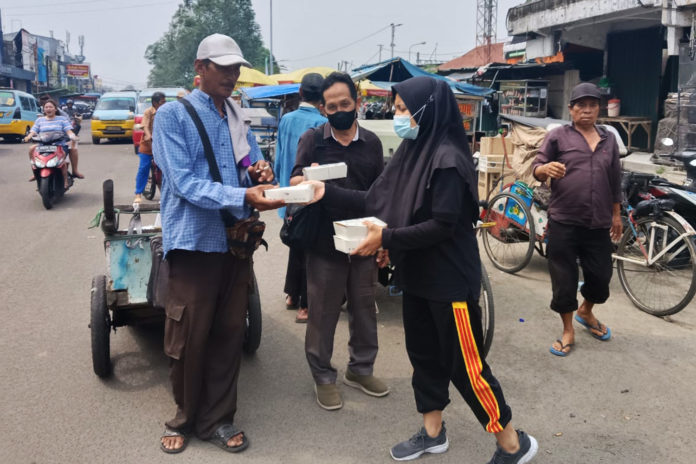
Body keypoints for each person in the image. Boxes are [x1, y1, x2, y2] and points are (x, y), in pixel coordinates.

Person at [305, 76, 538, 463]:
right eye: (396, 109)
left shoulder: (448, 159)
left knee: (467, 368)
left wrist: (386, 238)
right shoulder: (413, 151)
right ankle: (433, 432)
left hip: (449, 284)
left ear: (426, 110)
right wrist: (326, 192)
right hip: (416, 278)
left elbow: (442, 226)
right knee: (424, 358)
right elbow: (377, 198)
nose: (398, 116)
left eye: (402, 109)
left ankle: (512, 443)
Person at [152, 33, 283, 455]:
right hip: (194, 242)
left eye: (235, 68)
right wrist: (243, 193)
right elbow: (183, 183)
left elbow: (249, 164)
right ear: (200, 68)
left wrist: (259, 174)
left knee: (229, 332)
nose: (231, 75)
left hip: (237, 241)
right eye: (223, 67)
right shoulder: (173, 115)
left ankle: (219, 419)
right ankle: (184, 418)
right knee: (189, 336)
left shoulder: (237, 115)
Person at [289, 71, 387, 411]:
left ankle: (360, 369)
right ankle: (323, 376)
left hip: (362, 240)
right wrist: (306, 180)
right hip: (323, 242)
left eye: (345, 104)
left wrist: (384, 240)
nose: (339, 111)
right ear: (323, 109)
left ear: (357, 102)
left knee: (364, 309)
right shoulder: (313, 140)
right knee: (323, 312)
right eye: (332, 107)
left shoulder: (371, 143)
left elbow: (380, 195)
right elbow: (295, 180)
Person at [532, 82, 622, 357]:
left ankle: (586, 310)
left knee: (601, 276)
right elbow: (536, 167)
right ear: (571, 110)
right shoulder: (558, 136)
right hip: (564, 220)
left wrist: (616, 214)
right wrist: (545, 169)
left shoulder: (608, 139)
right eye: (581, 105)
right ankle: (568, 329)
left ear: (599, 109)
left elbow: (615, 179)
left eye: (593, 105)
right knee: (564, 279)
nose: (587, 110)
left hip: (598, 221)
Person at [274, 73, 327, 322]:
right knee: (310, 250)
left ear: (301, 93)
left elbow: (278, 156)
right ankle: (305, 305)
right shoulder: (322, 123)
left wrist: (280, 180)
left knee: (296, 244)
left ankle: (291, 294)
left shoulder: (286, 119)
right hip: (310, 196)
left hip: (289, 194)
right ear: (322, 97)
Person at [24, 99, 78, 189]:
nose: (48, 109)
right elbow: (33, 131)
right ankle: (35, 174)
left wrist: (73, 136)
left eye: (50, 107)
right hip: (43, 145)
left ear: (55, 109)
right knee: (31, 149)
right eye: (46, 107)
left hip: (59, 144)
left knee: (62, 160)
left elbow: (69, 131)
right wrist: (28, 137)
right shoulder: (39, 120)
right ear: (44, 109)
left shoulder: (62, 119)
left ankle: (65, 180)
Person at [133, 91, 165, 203]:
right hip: (148, 145)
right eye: (162, 102)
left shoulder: (166, 112)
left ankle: (164, 194)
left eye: (164, 102)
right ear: (155, 103)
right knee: (143, 169)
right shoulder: (148, 112)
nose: (164, 104)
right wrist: (149, 135)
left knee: (163, 170)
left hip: (161, 145)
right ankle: (138, 194)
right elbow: (145, 126)